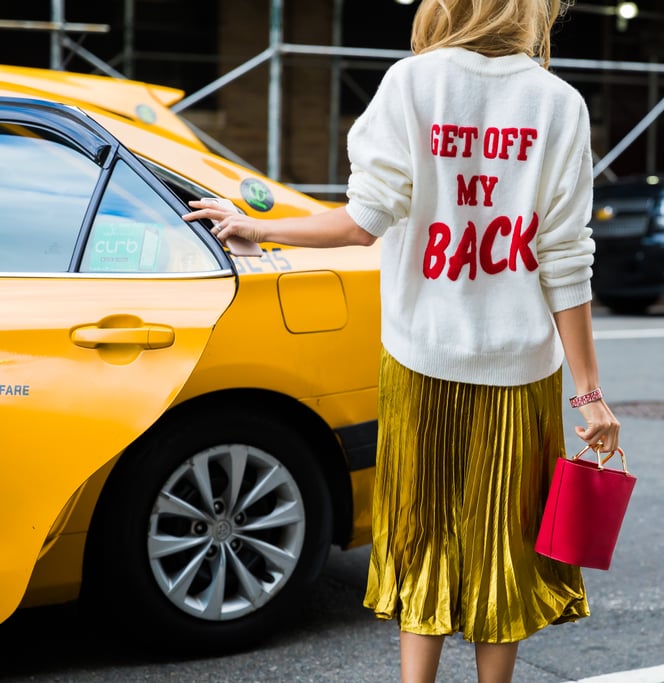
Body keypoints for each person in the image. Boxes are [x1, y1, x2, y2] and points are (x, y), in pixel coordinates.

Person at [184, 1, 619, 680]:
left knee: (424, 540)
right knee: (499, 548)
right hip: (522, 371)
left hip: (422, 360)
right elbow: (565, 258)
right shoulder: (558, 103)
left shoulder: (413, 84)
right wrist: (589, 394)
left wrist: (257, 227)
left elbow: (362, 223)